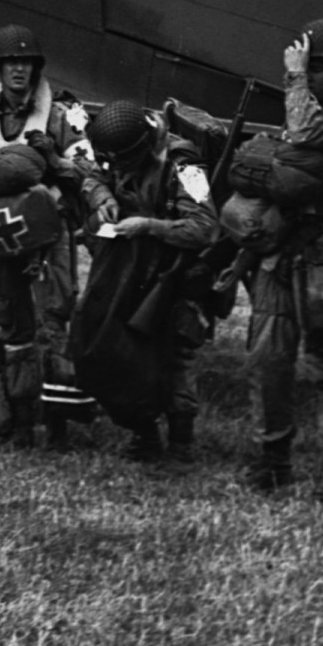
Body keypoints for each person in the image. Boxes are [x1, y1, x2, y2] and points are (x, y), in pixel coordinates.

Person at [243, 19, 323, 493]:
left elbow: (304, 132)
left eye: (317, 69)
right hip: (282, 252)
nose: (308, 77)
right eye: (306, 69)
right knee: (267, 358)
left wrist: (294, 78)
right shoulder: (300, 109)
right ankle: (272, 460)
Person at [0, 25, 96, 449]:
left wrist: (54, 158)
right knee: (12, 325)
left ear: (36, 67)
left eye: (25, 62)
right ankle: (21, 421)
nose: (18, 69)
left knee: (52, 323)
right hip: (3, 231)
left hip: (48, 233)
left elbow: (90, 172)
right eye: (9, 62)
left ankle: (57, 427)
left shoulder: (62, 114)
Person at [73, 100, 219, 461]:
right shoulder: (115, 147)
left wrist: (150, 226)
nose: (117, 168)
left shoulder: (185, 165)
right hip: (128, 270)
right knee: (111, 348)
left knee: (175, 357)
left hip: (174, 274)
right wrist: (102, 197)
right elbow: (93, 175)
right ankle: (143, 433)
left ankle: (182, 443)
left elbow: (205, 227)